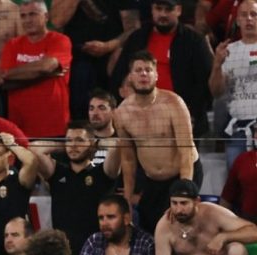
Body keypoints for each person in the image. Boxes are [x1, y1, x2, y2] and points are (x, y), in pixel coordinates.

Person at [114, 50, 201, 233]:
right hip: (152, 179)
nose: (143, 74)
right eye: (138, 70)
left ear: (156, 75)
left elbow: (185, 151)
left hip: (182, 171)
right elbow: (128, 160)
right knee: (151, 227)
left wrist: (182, 193)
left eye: (148, 70)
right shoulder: (122, 113)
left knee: (178, 227)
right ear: (130, 77)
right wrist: (127, 200)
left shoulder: (173, 103)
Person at [111, 0, 213, 137]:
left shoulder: (194, 41)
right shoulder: (137, 38)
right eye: (158, 9)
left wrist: (190, 112)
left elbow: (204, 82)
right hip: (141, 118)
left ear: (178, 10)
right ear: (152, 10)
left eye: (168, 9)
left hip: (180, 119)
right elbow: (120, 76)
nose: (163, 14)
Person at [33, 120, 120, 255]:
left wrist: (96, 144)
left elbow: (116, 146)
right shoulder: (58, 172)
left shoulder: (102, 172)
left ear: (91, 143)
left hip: (97, 250)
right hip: (64, 252)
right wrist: (65, 145)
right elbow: (35, 149)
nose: (73, 145)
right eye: (69, 140)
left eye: (79, 140)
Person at [50, 0, 139, 119]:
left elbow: (133, 28)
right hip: (77, 59)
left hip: (113, 59)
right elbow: (57, 21)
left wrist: (108, 46)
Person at [0, 0, 72, 138]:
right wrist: (45, 75)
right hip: (19, 127)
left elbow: (46, 66)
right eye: (23, 16)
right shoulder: (12, 45)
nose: (27, 20)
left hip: (53, 126)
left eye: (32, 14)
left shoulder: (60, 40)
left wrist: (11, 74)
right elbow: (4, 81)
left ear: (46, 17)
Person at [209, 0, 257, 168]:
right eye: (244, 15)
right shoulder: (229, 51)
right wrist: (217, 64)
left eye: (254, 14)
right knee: (235, 181)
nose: (249, 19)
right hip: (239, 130)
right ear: (237, 21)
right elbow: (217, 92)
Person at [88, 89, 118, 165]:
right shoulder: (83, 139)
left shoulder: (123, 139)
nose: (95, 113)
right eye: (91, 108)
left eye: (101, 108)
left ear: (114, 112)